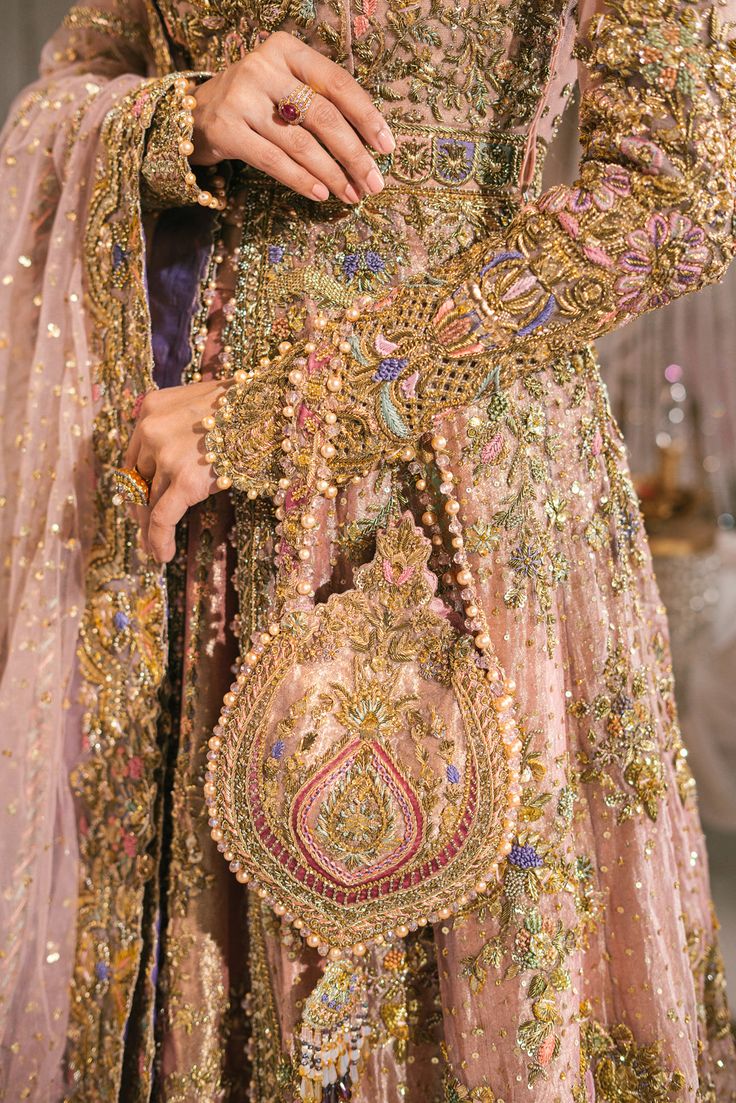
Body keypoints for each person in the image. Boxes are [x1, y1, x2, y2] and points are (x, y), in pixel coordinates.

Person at [1, 0, 735, 1098]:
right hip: (186, 497)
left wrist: (301, 408)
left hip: (462, 492)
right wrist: (179, 115)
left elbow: (675, 194)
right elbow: (63, 93)